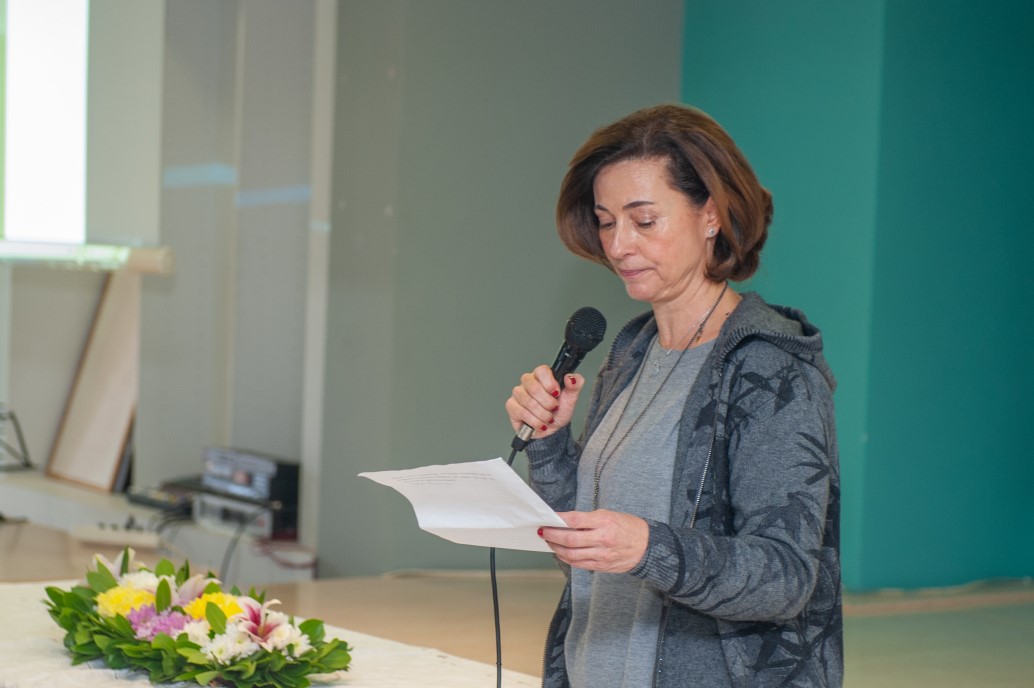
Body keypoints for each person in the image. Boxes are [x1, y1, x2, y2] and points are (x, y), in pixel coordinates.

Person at [504, 104, 842, 688]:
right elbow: (581, 553)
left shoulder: (772, 369)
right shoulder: (632, 354)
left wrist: (647, 547)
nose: (618, 245)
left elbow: (784, 578)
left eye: (644, 220)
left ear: (710, 215)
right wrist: (552, 444)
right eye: (606, 222)